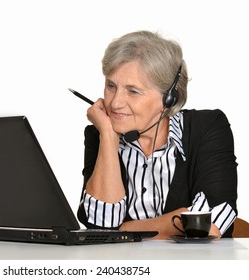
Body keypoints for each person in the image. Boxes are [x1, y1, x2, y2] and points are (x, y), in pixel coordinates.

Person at [77, 30, 238, 239]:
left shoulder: (208, 128)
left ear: (169, 97)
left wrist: (123, 230)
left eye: (133, 91)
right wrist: (108, 136)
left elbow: (205, 224)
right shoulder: (99, 132)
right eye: (111, 86)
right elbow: (99, 226)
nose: (115, 103)